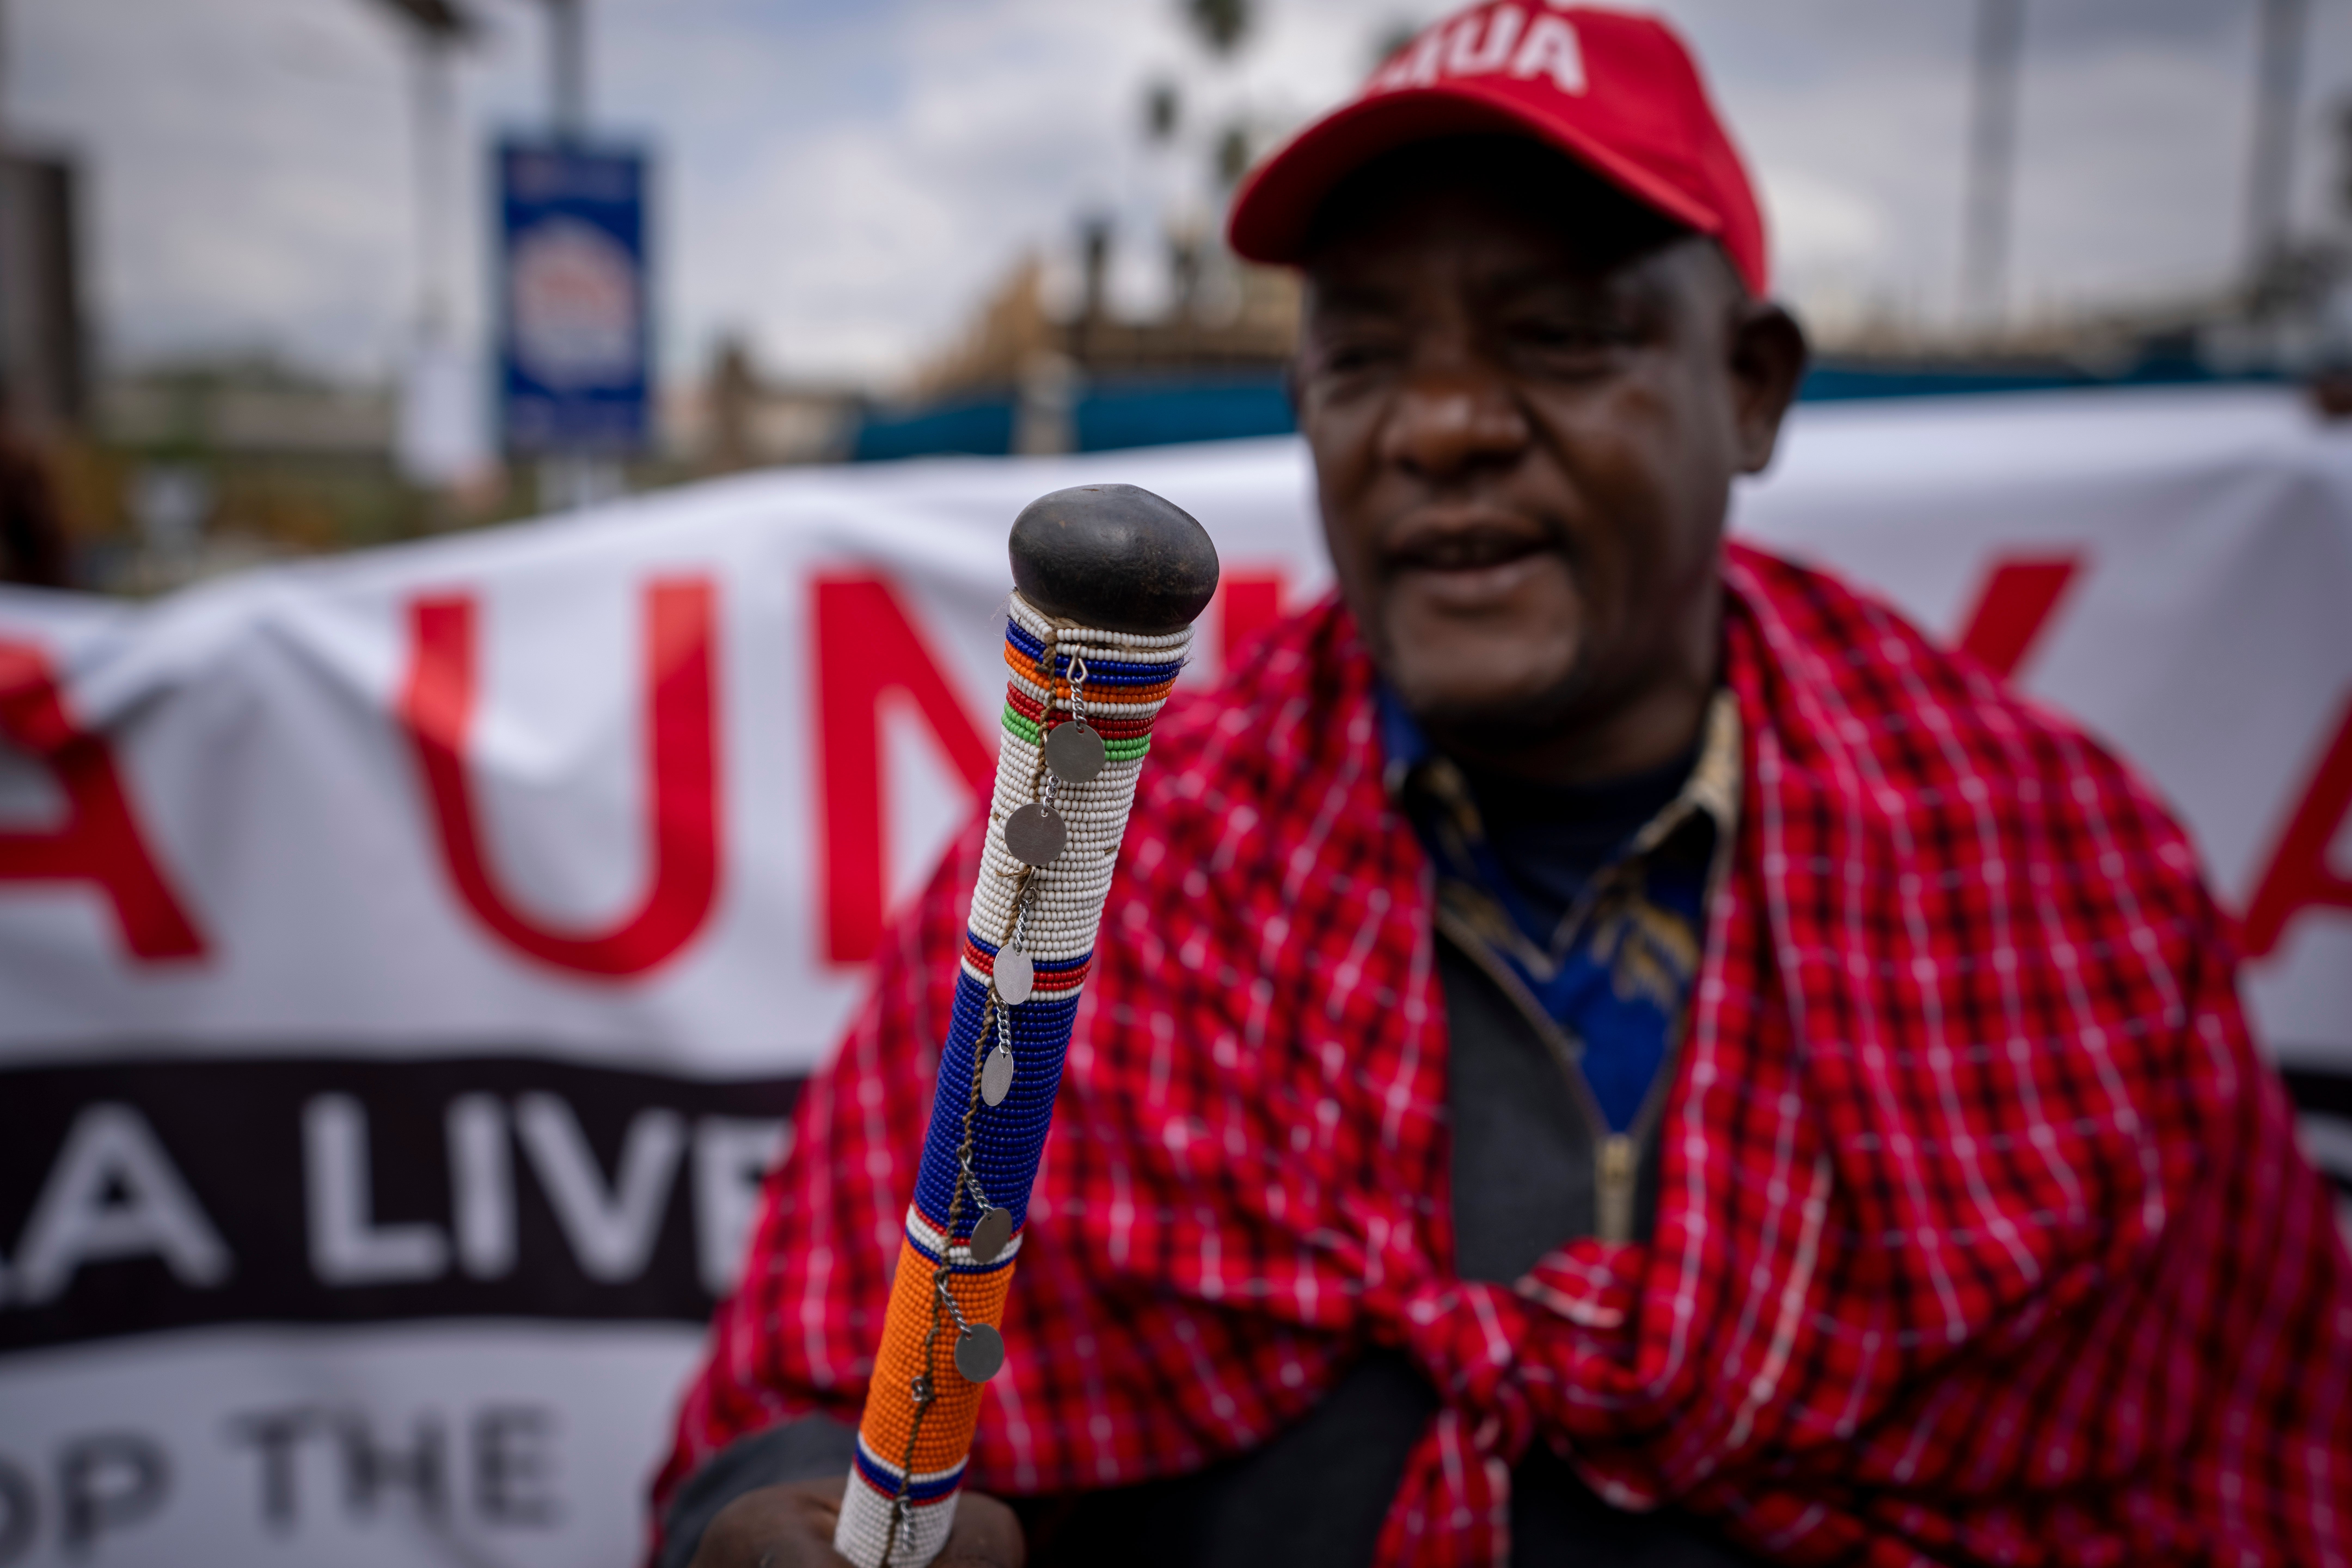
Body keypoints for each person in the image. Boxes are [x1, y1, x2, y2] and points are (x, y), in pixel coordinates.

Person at [655, 6, 2352, 1564]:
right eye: (1363, 356)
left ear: (1751, 387)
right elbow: (795, 1408)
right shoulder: (1115, 869)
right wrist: (776, 1521)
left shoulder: (2049, 874)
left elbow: (2265, 1473)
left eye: (1559, 336)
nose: (1445, 425)